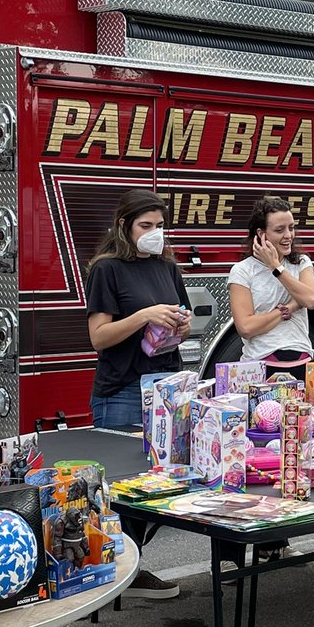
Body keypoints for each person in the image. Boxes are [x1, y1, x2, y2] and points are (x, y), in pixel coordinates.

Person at [85, 188, 190, 600]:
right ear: (124, 227)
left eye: (160, 225)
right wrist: (144, 315)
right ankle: (122, 572)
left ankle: (132, 566)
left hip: (165, 387)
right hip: (124, 390)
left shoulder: (167, 268)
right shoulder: (107, 270)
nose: (155, 233)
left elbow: (182, 319)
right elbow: (99, 337)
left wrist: (179, 326)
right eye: (146, 226)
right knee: (121, 485)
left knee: (159, 482)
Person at [227, 196, 314, 561]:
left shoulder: (301, 263)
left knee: (297, 452)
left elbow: (311, 299)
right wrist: (285, 310)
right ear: (259, 234)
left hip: (302, 365)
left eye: (291, 228)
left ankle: (282, 537)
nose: (288, 235)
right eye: (279, 229)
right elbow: (246, 327)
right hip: (262, 370)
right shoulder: (243, 272)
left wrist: (280, 270)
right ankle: (257, 539)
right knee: (263, 455)